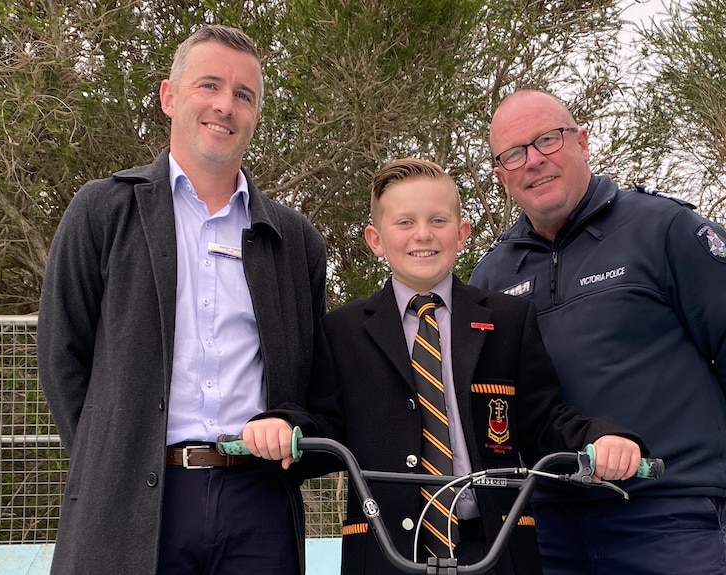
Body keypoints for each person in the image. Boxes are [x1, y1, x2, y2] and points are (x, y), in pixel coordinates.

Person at [244, 157, 647, 575]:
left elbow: (544, 420)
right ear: (375, 239)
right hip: (383, 553)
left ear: (462, 233)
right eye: (404, 223)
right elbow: (326, 426)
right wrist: (283, 425)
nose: (423, 235)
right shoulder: (341, 331)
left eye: (438, 220)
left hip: (495, 549)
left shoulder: (509, 320)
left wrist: (603, 437)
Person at [37, 25, 326, 575]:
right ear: (170, 97)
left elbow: (309, 381)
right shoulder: (101, 211)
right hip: (132, 502)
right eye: (209, 86)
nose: (225, 105)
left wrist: (286, 422)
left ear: (256, 114)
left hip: (258, 504)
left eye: (244, 95)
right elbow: (61, 358)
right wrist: (114, 462)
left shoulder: (296, 240)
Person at [468, 89, 726, 575]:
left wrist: (685, 455)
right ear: (500, 174)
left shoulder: (667, 230)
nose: (533, 161)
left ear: (582, 141)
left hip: (664, 517)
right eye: (514, 153)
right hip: (547, 522)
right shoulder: (491, 276)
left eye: (547, 140)